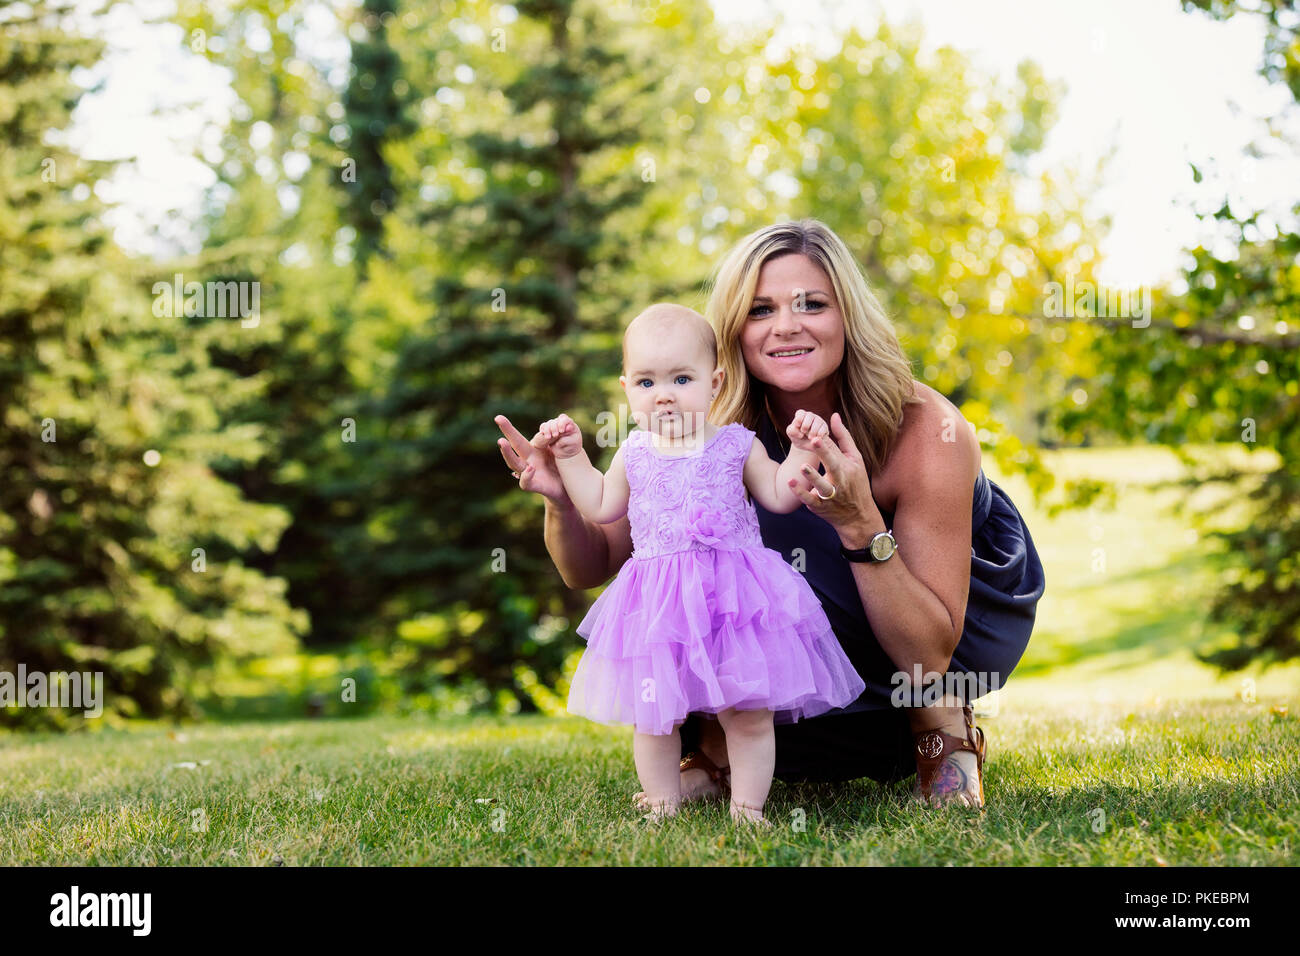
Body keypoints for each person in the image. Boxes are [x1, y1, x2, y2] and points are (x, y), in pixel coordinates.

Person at [495, 218, 1045, 810]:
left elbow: (929, 653)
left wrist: (861, 523)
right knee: (719, 576)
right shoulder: (705, 425)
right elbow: (592, 565)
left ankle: (940, 727)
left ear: (848, 317)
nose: (786, 326)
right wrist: (559, 498)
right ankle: (715, 745)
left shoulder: (925, 429)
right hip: (808, 637)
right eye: (760, 310)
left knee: (787, 544)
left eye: (812, 304)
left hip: (936, 623)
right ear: (733, 331)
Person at [532, 303, 866, 825]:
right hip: (659, 603)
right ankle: (663, 803)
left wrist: (802, 452)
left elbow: (780, 495)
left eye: (681, 378)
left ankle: (748, 807)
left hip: (735, 600)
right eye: (645, 382)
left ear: (714, 383)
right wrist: (572, 459)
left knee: (749, 713)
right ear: (626, 389)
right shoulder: (635, 452)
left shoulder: (736, 444)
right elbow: (599, 506)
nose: (662, 394)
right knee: (655, 715)